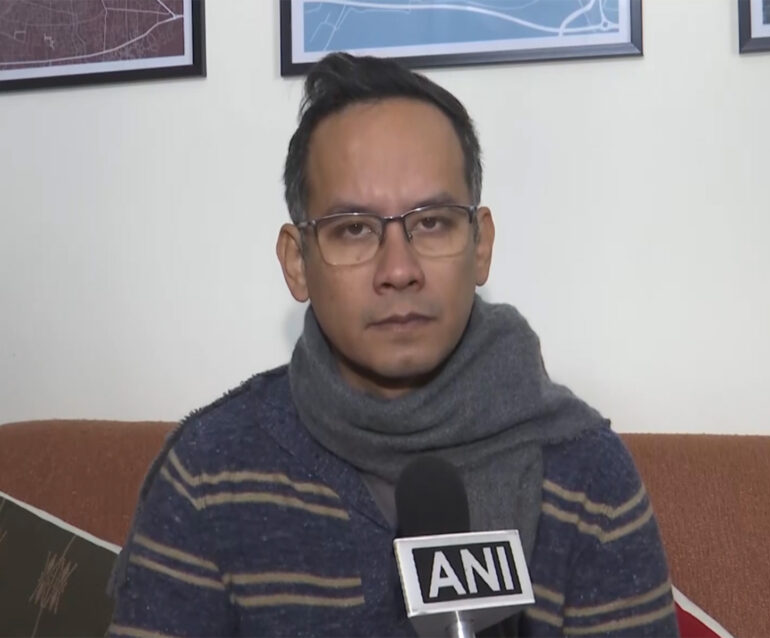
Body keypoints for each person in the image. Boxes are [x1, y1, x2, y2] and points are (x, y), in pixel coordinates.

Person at [108, 53, 679, 637]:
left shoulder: (587, 477)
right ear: (297, 262)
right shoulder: (210, 472)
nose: (399, 270)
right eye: (354, 229)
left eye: (432, 222)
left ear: (480, 246)